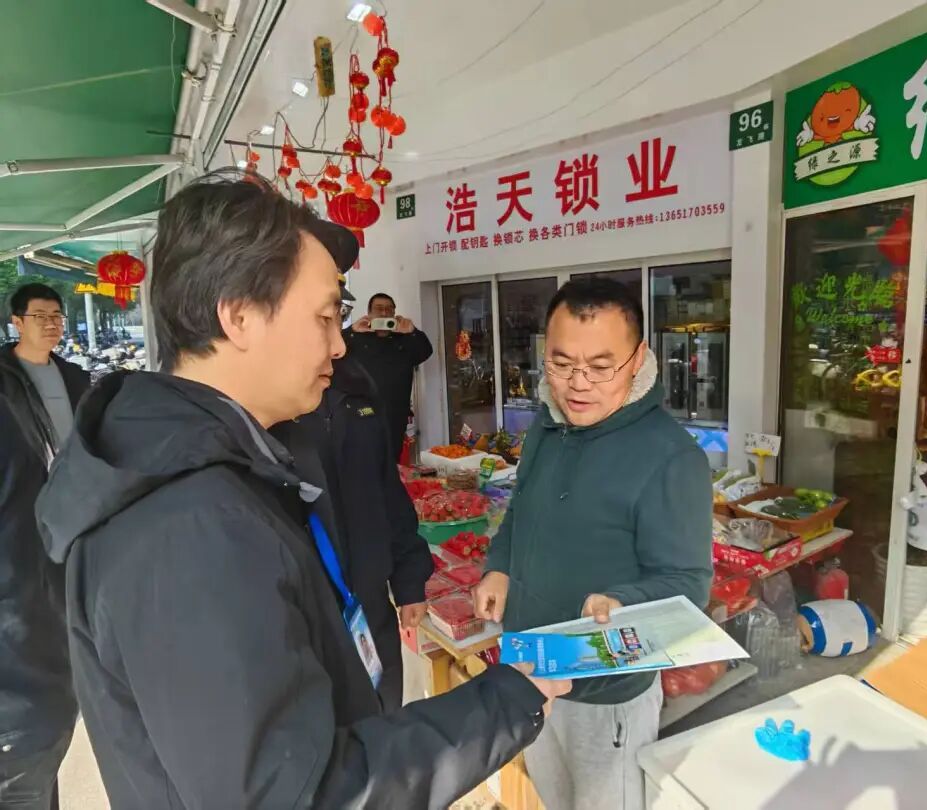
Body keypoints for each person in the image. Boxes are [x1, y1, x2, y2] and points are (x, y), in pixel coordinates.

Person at [35, 172, 568, 809]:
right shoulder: (188, 529)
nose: (340, 344)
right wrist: (503, 701)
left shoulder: (226, 468)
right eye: (324, 317)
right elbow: (295, 795)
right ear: (238, 316)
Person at [473, 277, 713, 810]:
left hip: (607, 695)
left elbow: (690, 583)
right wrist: (499, 566)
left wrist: (625, 601)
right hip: (532, 671)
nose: (577, 384)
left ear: (638, 359)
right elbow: (521, 511)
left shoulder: (671, 458)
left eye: (601, 367)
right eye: (561, 364)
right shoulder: (547, 426)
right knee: (550, 797)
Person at [272, 279, 434, 711]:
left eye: (338, 319)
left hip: (370, 606)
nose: (338, 343)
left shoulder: (356, 396)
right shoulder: (257, 418)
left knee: (385, 716)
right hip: (301, 627)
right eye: (323, 320)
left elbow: (387, 492)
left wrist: (409, 580)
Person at [0, 283, 88, 810]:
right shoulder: (4, 379)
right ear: (16, 322)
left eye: (57, 315)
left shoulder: (75, 377)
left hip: (69, 514)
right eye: (40, 316)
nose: (52, 324)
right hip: (20, 521)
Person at [341, 292, 432, 459]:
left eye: (389, 309)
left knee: (392, 460)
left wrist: (412, 331)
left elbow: (425, 352)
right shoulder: (356, 338)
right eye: (379, 308)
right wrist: (352, 330)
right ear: (369, 313)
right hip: (361, 415)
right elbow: (333, 350)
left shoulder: (403, 338)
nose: (384, 313)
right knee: (364, 460)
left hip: (395, 415)